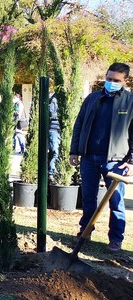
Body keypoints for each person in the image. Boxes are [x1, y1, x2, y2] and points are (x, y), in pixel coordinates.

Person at [69, 62, 133, 252]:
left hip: (116, 160)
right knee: (88, 199)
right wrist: (75, 150)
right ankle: (85, 231)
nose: (111, 82)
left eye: (116, 80)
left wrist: (131, 160)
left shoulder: (129, 102)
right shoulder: (92, 98)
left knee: (116, 202)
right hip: (89, 157)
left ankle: (115, 238)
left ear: (125, 81)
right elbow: (79, 124)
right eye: (108, 79)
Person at [48, 94, 60, 182]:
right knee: (55, 152)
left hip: (60, 129)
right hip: (54, 130)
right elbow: (51, 113)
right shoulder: (54, 100)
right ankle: (51, 173)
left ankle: (56, 172)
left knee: (58, 153)